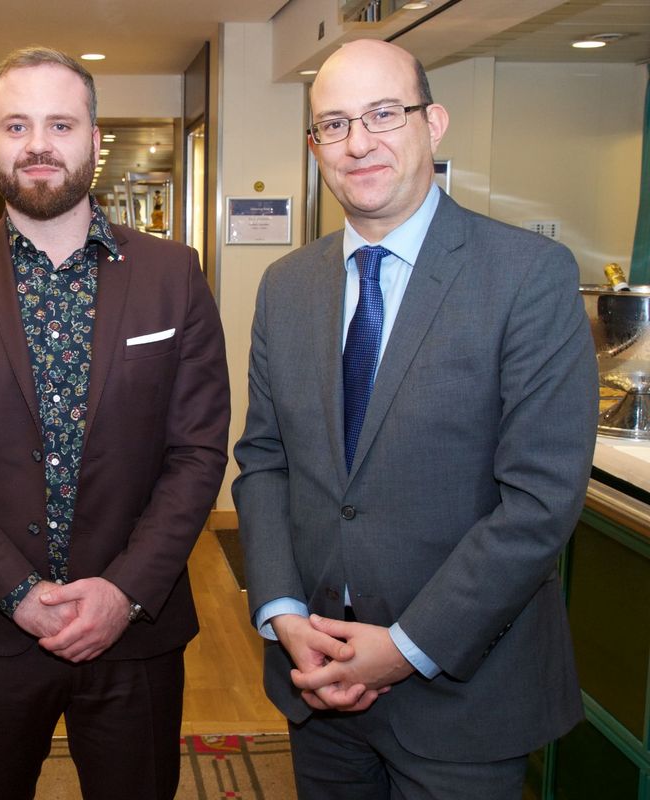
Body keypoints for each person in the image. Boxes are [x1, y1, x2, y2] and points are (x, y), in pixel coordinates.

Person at [232, 38, 596, 799]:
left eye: (383, 114)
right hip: (315, 677)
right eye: (334, 124)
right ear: (315, 147)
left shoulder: (527, 276)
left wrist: (404, 648)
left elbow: (540, 501)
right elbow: (264, 461)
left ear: (433, 124)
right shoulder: (285, 286)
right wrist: (283, 613)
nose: (358, 142)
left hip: (464, 695)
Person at [0, 46, 229, 800]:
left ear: (95, 140)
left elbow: (198, 451)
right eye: (17, 125)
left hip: (134, 625)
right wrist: (15, 592)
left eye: (61, 124)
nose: (38, 144)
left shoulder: (174, 274)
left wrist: (123, 591)